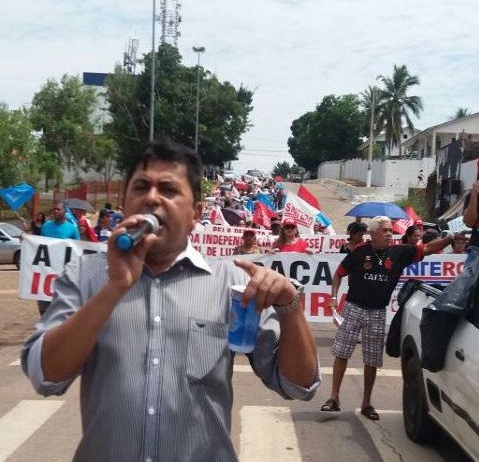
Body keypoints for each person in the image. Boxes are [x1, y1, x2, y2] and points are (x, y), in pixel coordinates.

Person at [21, 139, 320, 462]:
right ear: (125, 202)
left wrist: (289, 307)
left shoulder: (233, 284)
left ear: (196, 214)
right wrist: (114, 288)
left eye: (168, 189)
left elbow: (298, 385)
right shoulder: (85, 275)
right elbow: (45, 375)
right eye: (141, 187)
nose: (151, 198)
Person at [320, 216, 453, 420]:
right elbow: (338, 274)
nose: (390, 234)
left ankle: (366, 403)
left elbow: (427, 248)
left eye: (391, 230)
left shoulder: (400, 252)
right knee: (342, 353)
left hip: (378, 312)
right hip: (354, 308)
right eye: (384, 230)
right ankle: (334, 398)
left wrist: (450, 239)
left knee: (372, 359)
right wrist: (334, 297)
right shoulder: (359, 252)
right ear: (372, 234)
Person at [37, 203, 80, 316]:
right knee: (44, 307)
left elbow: (78, 249)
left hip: (64, 273)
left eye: (58, 209)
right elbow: (39, 245)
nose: (55, 211)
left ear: (65, 212)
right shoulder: (45, 226)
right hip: (46, 272)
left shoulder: (72, 229)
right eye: (54, 209)